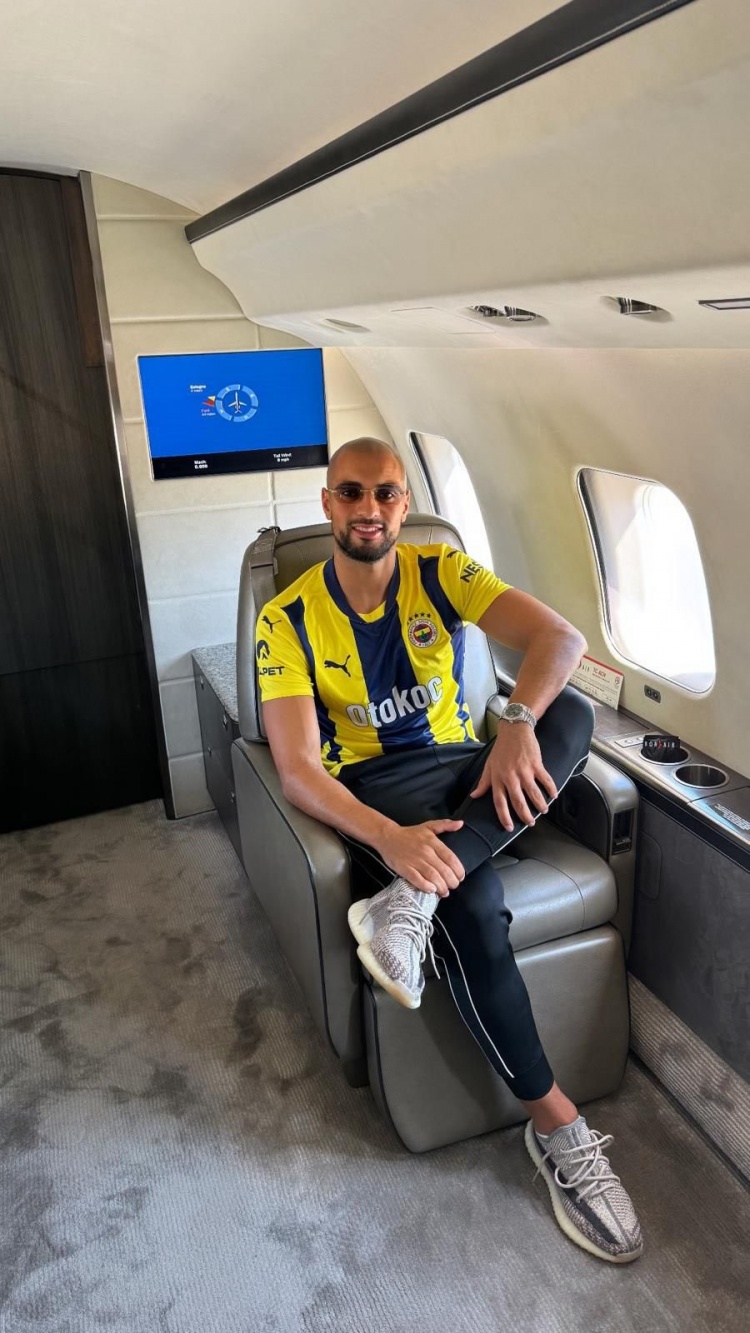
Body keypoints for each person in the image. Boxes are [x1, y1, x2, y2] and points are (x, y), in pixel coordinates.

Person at [256, 436, 643, 1264]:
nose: (369, 510)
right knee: (475, 904)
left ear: (405, 503)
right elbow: (296, 769)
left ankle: (415, 897)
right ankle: (559, 1129)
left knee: (571, 713)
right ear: (328, 503)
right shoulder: (284, 618)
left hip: (464, 767)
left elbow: (562, 640)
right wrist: (390, 839)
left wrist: (517, 722)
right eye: (351, 493)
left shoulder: (443, 570)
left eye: (386, 494)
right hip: (378, 794)